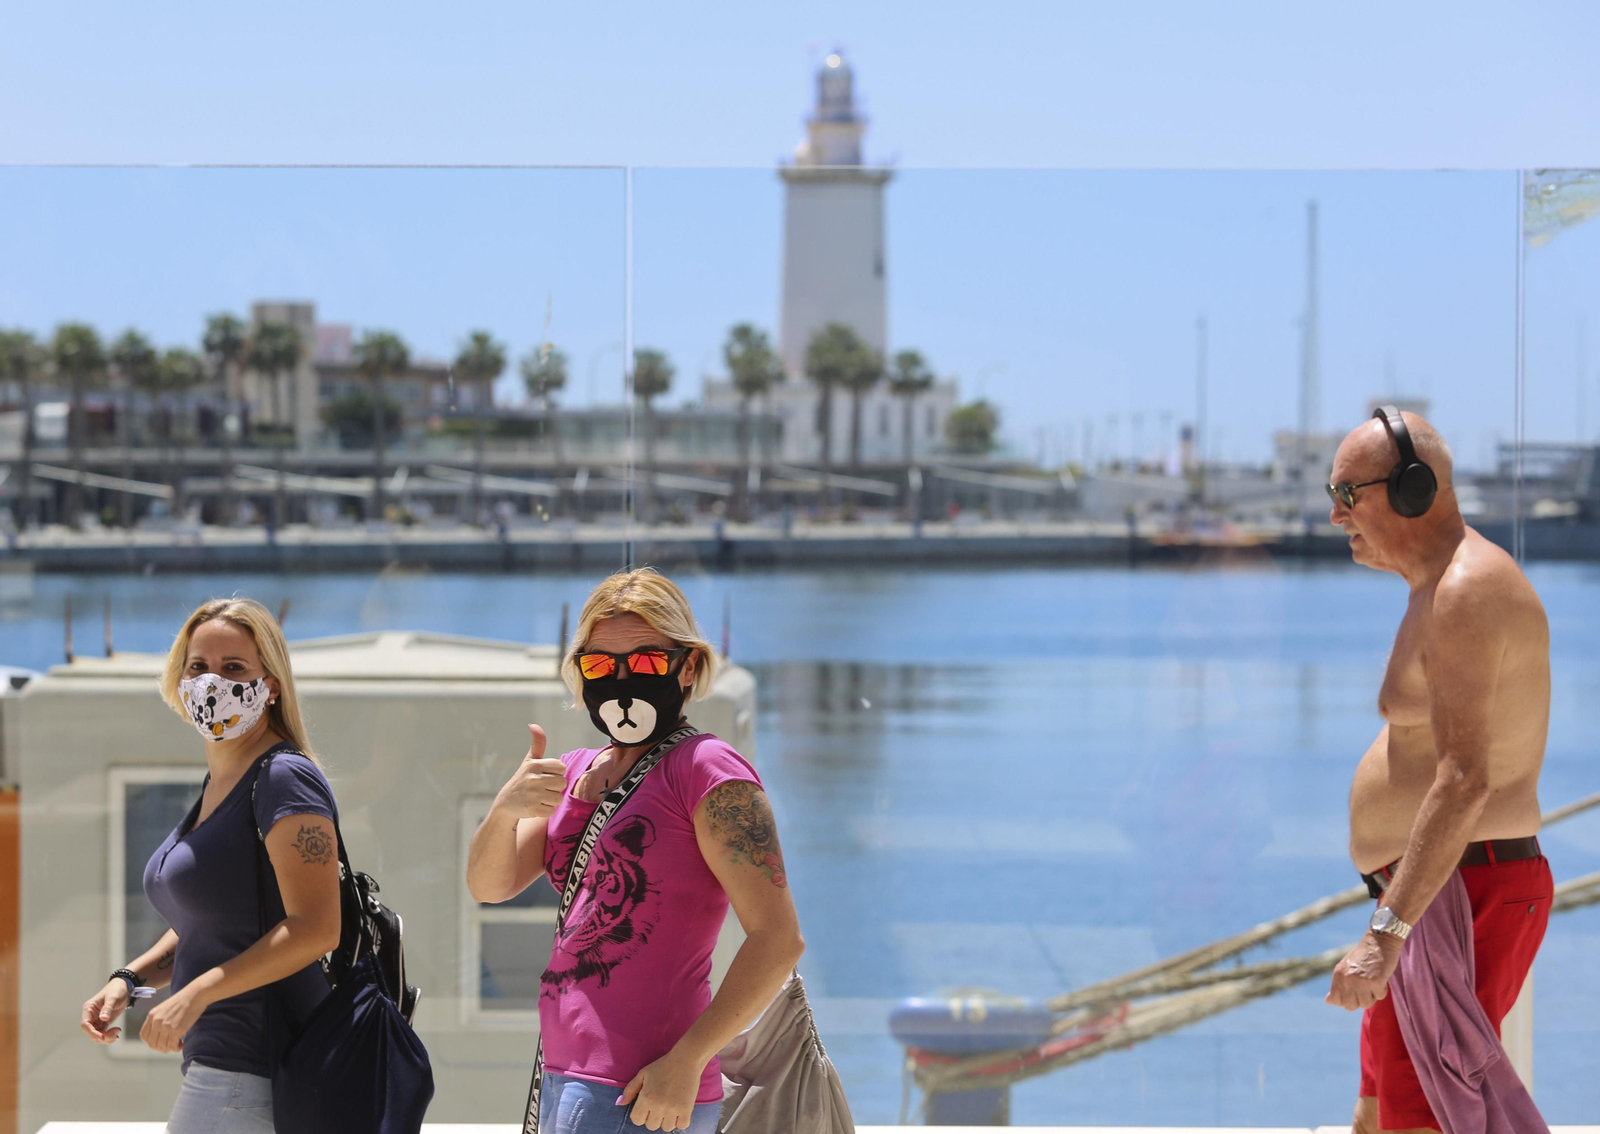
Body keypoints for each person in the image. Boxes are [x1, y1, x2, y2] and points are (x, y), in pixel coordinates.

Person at [467, 568, 805, 1134]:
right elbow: (489, 885)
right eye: (600, 664)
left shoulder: (708, 771)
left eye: (648, 660)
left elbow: (779, 939)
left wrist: (688, 1061)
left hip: (643, 1088)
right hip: (563, 1075)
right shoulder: (577, 770)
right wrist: (506, 808)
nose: (622, 679)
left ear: (688, 666)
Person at [1322, 410, 1553, 1134]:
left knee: (1421, 1117)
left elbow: (1463, 780)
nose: (1335, 516)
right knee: (1379, 1110)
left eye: (1348, 493)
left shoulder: (1465, 591)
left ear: (1413, 490)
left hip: (1464, 893)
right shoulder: (1434, 589)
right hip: (1434, 890)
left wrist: (1385, 934)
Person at [79, 598, 343, 1133]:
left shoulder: (283, 778)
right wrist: (130, 979)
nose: (211, 683)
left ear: (270, 686)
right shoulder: (222, 784)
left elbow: (317, 928)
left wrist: (195, 993)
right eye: (198, 667)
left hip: (254, 1067)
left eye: (234, 668)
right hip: (222, 1065)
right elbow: (217, 925)